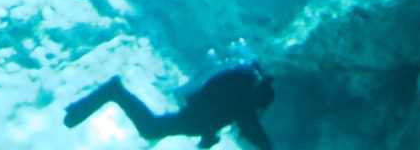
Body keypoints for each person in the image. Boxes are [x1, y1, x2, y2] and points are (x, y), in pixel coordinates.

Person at [63, 61, 276, 148]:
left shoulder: (241, 97)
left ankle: (114, 93)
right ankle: (116, 91)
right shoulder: (242, 99)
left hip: (195, 121)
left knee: (151, 129)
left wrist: (207, 136)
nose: (258, 112)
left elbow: (245, 125)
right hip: (193, 119)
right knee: (150, 129)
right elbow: (250, 127)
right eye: (259, 107)